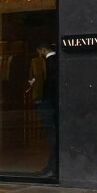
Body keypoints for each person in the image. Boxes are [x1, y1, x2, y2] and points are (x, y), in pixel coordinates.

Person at [32, 43, 58, 176]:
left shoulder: (46, 62)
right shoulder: (54, 61)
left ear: (42, 49)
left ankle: (53, 167)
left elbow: (48, 84)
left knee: (52, 136)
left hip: (48, 104)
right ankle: (52, 166)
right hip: (52, 103)